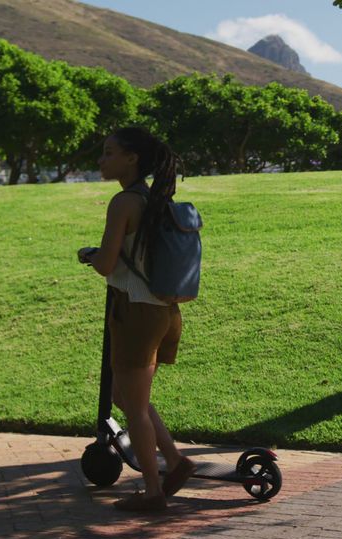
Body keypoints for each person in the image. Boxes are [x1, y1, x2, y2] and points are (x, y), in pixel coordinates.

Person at [78, 127, 194, 512]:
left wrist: (90, 256)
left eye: (109, 153)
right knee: (124, 397)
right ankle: (175, 463)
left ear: (131, 159)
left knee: (135, 406)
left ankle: (153, 493)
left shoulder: (124, 202)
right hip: (164, 309)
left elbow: (108, 264)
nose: (101, 159)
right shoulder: (156, 198)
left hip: (135, 310)